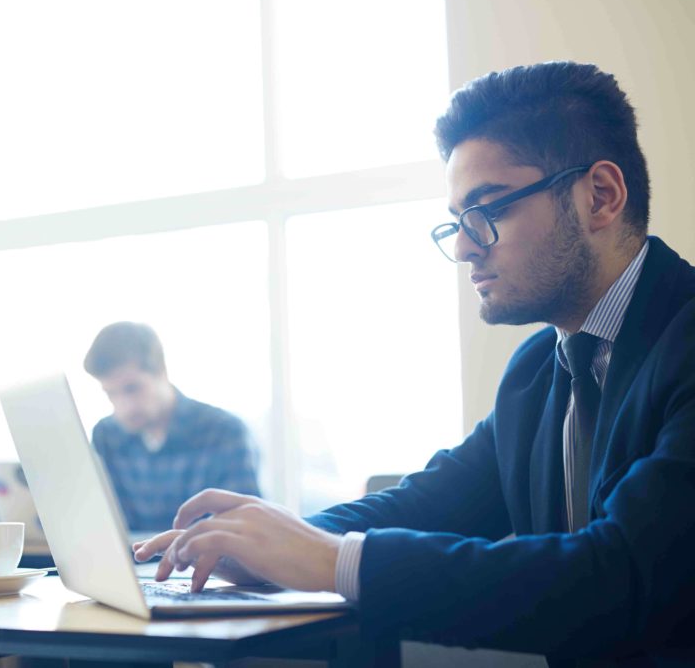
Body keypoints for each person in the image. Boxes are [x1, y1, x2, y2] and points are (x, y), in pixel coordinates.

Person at [135, 61, 695, 665]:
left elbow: (621, 575)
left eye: (489, 210)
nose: (463, 246)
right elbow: (430, 502)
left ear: (600, 197)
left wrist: (326, 558)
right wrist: (259, 538)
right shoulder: (538, 369)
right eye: (457, 221)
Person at [84, 321, 260, 532]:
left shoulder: (223, 432)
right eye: (110, 393)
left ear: (162, 372)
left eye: (132, 389)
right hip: (133, 562)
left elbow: (245, 531)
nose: (123, 407)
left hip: (205, 564)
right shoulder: (106, 436)